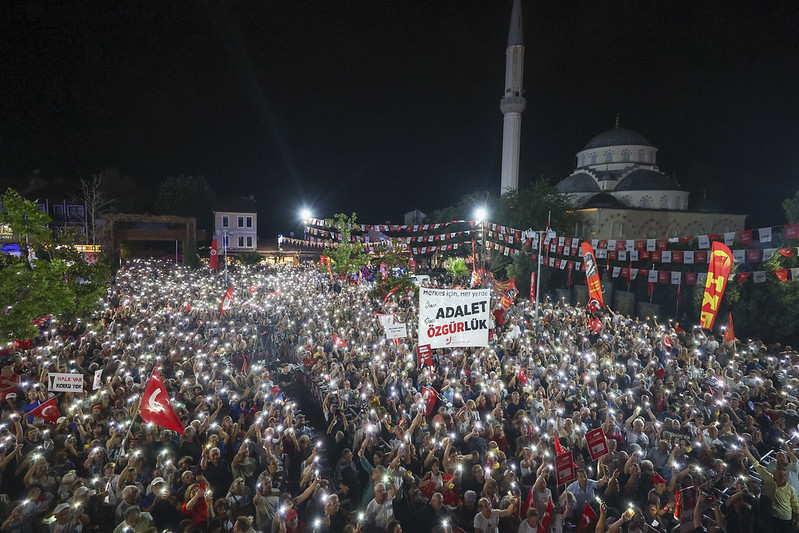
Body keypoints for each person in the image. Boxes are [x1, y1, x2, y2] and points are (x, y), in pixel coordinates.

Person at [744, 444, 799, 532]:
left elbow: (796, 507)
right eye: (779, 474)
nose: (782, 477)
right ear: (774, 474)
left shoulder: (791, 490)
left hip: (785, 519)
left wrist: (797, 520)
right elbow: (757, 466)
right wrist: (747, 451)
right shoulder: (769, 479)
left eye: (784, 475)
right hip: (770, 516)